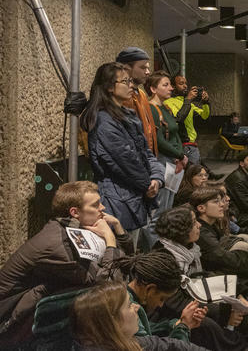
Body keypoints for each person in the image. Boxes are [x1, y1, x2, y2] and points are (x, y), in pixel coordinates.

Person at [0, 181, 132, 346]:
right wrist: (110, 240)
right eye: (96, 205)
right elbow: (108, 285)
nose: (103, 208)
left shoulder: (74, 230)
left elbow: (126, 263)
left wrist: (118, 228)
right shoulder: (61, 244)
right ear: (75, 212)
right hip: (10, 319)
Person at [154, 207, 248, 350]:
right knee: (207, 322)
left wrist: (236, 291)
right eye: (193, 223)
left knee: (234, 290)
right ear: (181, 230)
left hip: (193, 294)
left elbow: (201, 276)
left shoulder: (188, 248)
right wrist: (224, 312)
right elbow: (174, 303)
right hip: (170, 311)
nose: (198, 225)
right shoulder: (165, 260)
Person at [80, 62, 165, 242]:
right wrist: (147, 185)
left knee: (132, 248)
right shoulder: (103, 121)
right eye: (125, 82)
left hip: (133, 194)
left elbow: (145, 152)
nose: (131, 85)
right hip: (118, 198)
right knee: (121, 253)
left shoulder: (127, 114)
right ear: (110, 87)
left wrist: (157, 179)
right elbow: (125, 161)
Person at [189, 188, 248, 315]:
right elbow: (220, 257)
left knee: (243, 253)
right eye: (216, 202)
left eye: (221, 200)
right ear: (201, 208)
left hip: (213, 265)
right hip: (205, 274)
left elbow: (223, 246)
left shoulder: (211, 223)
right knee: (241, 259)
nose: (222, 204)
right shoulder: (203, 231)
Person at [72, 281, 208, 351]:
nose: (136, 307)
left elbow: (171, 346)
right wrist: (183, 326)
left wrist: (182, 326)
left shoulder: (130, 342)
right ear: (112, 321)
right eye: (128, 305)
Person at [147, 71, 187, 212]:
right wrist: (180, 156)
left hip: (173, 160)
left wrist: (180, 155)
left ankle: (163, 233)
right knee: (160, 207)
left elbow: (175, 133)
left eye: (170, 84)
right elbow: (158, 140)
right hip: (162, 161)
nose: (171, 88)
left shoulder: (166, 109)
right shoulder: (151, 109)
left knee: (168, 205)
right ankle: (155, 234)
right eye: (166, 85)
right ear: (153, 89)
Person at [117, 47, 158, 156]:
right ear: (126, 68)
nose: (148, 72)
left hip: (148, 158)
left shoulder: (142, 94)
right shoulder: (119, 97)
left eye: (148, 68)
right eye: (143, 68)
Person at [164, 76, 210, 165]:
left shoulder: (186, 102)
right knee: (192, 176)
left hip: (191, 144)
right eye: (181, 84)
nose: (185, 86)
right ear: (172, 86)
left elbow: (204, 116)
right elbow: (178, 119)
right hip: (182, 144)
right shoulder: (168, 102)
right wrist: (188, 100)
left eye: (186, 83)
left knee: (194, 175)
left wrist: (206, 102)